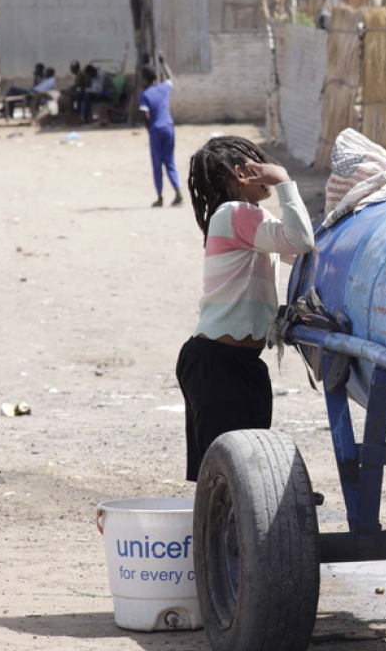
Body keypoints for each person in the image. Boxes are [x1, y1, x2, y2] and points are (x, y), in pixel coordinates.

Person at [176, 136, 315, 482]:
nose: (266, 170)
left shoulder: (248, 218)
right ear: (242, 173)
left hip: (239, 364)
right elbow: (302, 242)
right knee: (227, 477)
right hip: (217, 365)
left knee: (248, 475)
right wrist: (284, 181)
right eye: (260, 163)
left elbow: (299, 253)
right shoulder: (234, 214)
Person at [138, 59, 182, 207]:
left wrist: (149, 129)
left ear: (144, 79)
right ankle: (178, 192)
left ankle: (160, 197)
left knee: (157, 163)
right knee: (169, 161)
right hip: (169, 127)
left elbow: (144, 115)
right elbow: (170, 78)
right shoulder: (163, 88)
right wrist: (164, 63)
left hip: (156, 129)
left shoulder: (144, 95)